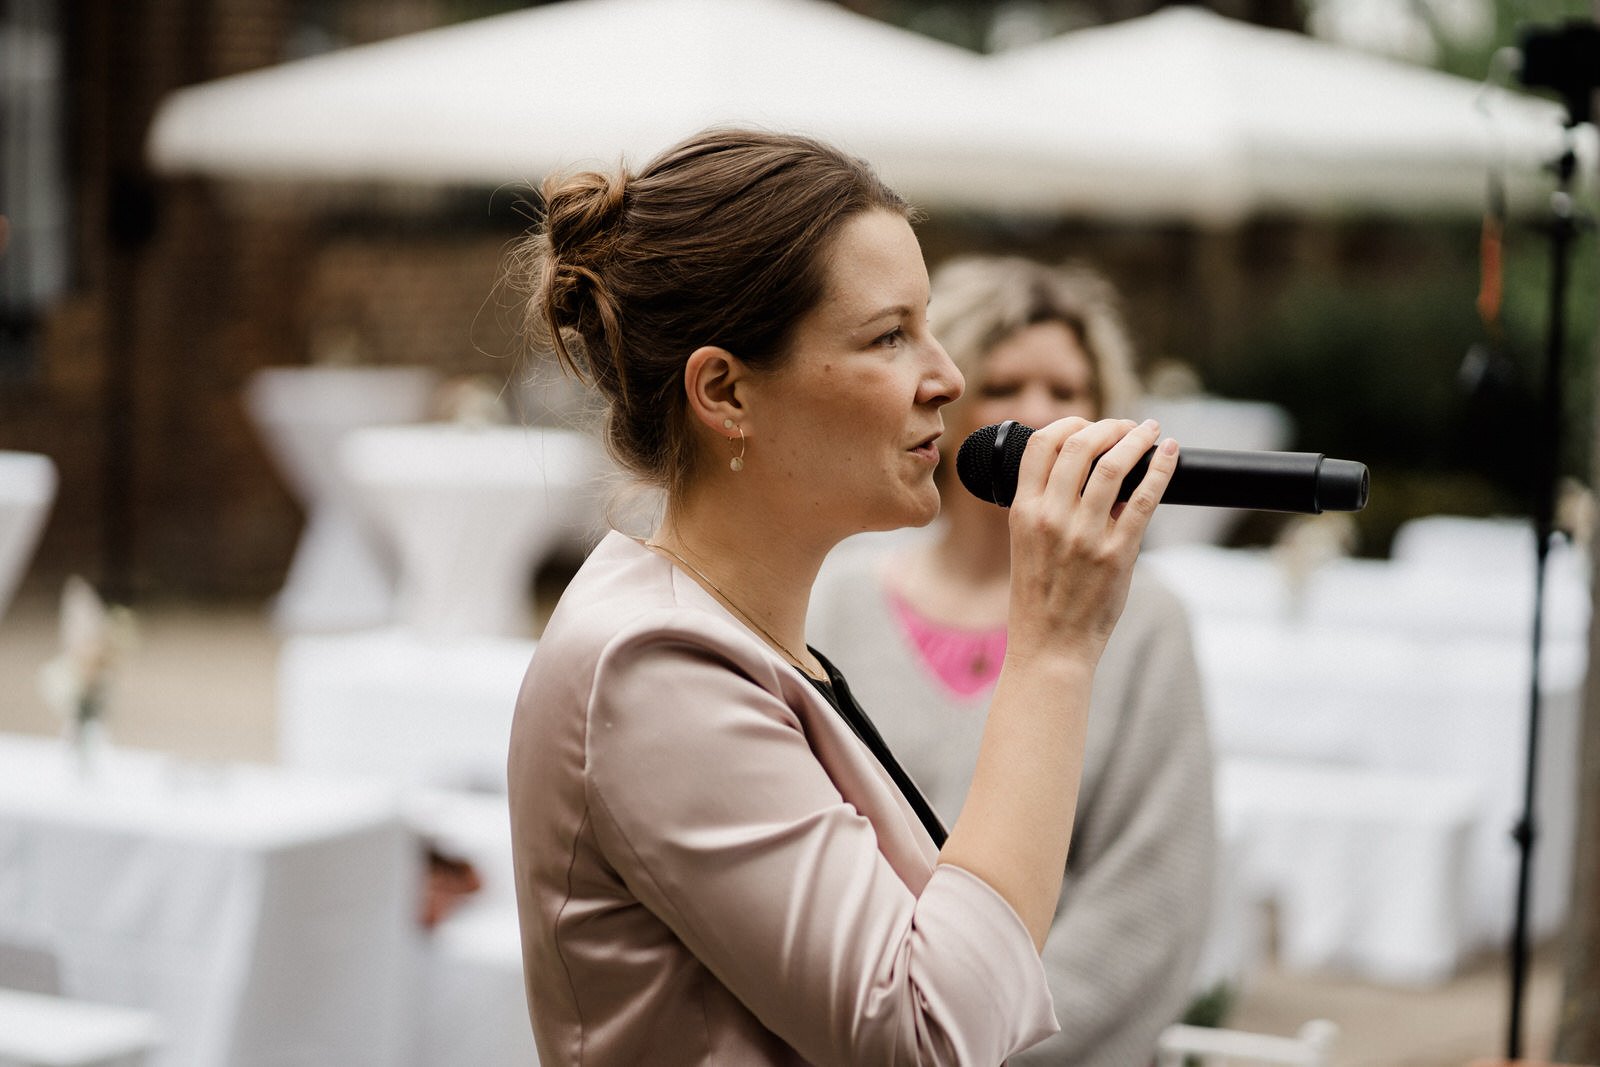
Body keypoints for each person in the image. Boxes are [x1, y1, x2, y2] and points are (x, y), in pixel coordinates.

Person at [504, 129, 1179, 1066]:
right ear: (726, 391)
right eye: (890, 334)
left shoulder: (740, 638)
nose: (947, 377)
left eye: (929, 325)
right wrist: (1054, 648)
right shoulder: (647, 668)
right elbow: (931, 1031)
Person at [809, 255, 1216, 1067]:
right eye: (1004, 385)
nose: (1041, 416)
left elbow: (1153, 901)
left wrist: (979, 1039)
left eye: (1067, 392)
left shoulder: (1146, 623)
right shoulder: (836, 600)